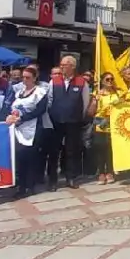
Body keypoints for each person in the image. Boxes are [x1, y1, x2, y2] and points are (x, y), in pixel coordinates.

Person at [47, 56, 91, 189]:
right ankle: (53, 180)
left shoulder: (82, 82)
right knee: (54, 151)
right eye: (61, 65)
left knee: (71, 151)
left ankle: (70, 177)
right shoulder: (54, 81)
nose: (62, 67)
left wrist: (78, 116)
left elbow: (85, 103)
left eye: (64, 65)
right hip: (56, 121)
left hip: (73, 122)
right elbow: (49, 100)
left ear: (72, 66)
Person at [6, 65, 50, 198]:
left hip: (33, 128)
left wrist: (22, 118)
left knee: (31, 157)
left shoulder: (40, 92)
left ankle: (30, 185)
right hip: (19, 129)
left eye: (28, 77)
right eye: (23, 77)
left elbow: (40, 110)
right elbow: (12, 107)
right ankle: (21, 185)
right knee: (19, 157)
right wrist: (11, 116)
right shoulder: (19, 92)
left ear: (35, 78)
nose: (25, 80)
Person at [92, 72, 121, 185]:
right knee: (100, 147)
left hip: (114, 122)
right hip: (101, 122)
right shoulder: (97, 93)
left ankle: (110, 171)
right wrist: (95, 99)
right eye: (107, 79)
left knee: (110, 148)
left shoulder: (118, 93)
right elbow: (91, 111)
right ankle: (101, 173)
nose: (110, 81)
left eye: (111, 79)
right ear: (102, 81)